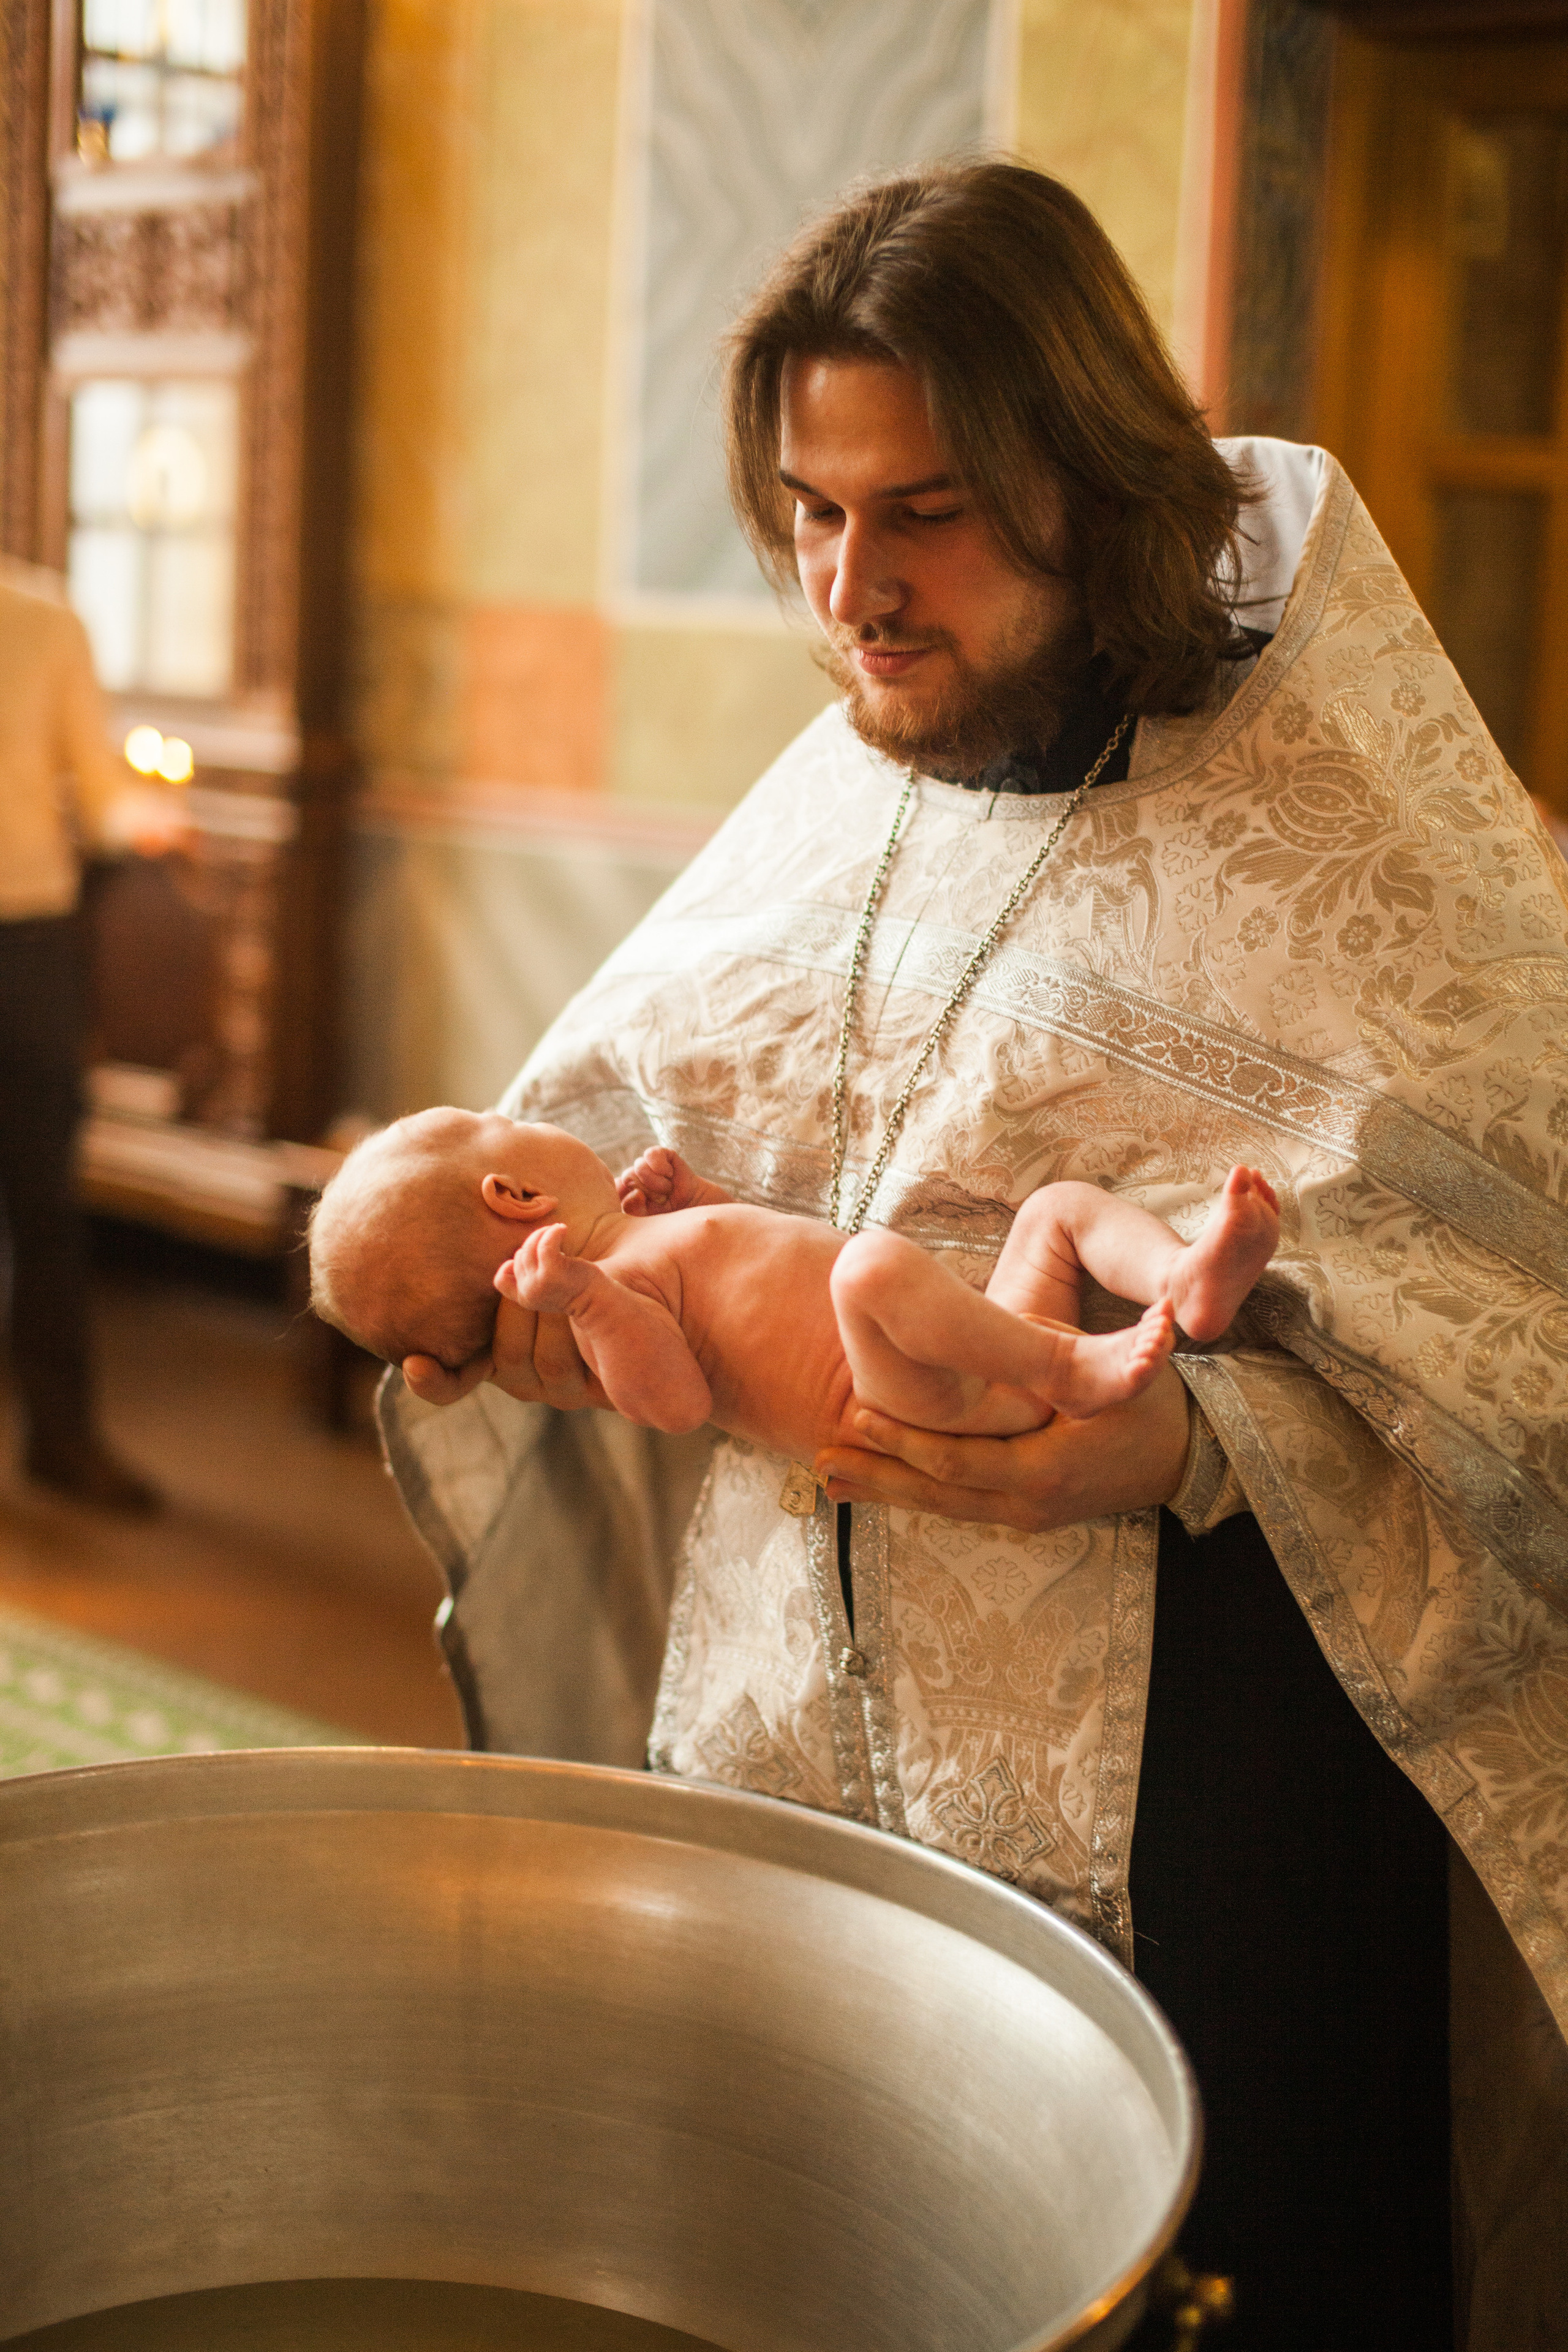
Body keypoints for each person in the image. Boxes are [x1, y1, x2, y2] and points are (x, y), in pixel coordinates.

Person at [379, 165, 1568, 2348]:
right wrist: (509, 1303)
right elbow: (582, 1148)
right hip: (789, 1764)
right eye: (810, 512)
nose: (852, 591)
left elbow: (1519, 1332)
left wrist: (1182, 1452)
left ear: (1081, 468)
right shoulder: (847, 780)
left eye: (920, 510)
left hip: (1213, 1819)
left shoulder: (1336, 831)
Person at [307, 1107, 1279, 1450]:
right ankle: (1070, 1370)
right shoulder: (604, 1303)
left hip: (966, 1349)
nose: (521, 1113)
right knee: (868, 1270)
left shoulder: (645, 1238)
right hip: (906, 1398)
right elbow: (679, 1405)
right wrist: (593, 1302)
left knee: (1057, 1211)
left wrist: (700, 1192)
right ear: (516, 1190)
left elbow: (766, 1248)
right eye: (497, 1115)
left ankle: (1180, 1277)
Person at [0, 562, 167, 1513]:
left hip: (31, 937)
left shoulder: (47, 622)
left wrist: (139, 821)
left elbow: (96, 784)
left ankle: (61, 1438)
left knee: (45, 1202)